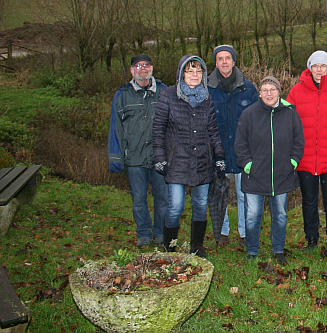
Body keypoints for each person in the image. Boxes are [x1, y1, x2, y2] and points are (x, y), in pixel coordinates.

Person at [152, 55, 225, 257]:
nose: (194, 74)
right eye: (190, 70)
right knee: (175, 205)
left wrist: (219, 156)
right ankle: (170, 246)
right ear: (181, 73)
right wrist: (159, 157)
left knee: (201, 204)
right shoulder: (168, 96)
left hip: (202, 159)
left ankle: (197, 246)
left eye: (198, 71)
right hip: (177, 159)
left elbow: (212, 129)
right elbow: (158, 129)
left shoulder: (206, 98)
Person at [286, 51, 327, 262]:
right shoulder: (296, 91)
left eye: (322, 66)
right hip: (305, 159)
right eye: (315, 65)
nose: (318, 69)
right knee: (309, 201)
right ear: (309, 67)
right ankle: (312, 239)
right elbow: (287, 121)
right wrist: (295, 149)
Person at [235, 76, 304, 264]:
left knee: (280, 215)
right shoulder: (249, 114)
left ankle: (278, 250)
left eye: (272, 90)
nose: (269, 93)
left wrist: (293, 162)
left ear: (279, 92)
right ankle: (252, 251)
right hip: (255, 176)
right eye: (264, 90)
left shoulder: (290, 113)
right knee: (252, 216)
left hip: (281, 175)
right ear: (259, 94)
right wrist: (248, 164)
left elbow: (299, 141)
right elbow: (240, 144)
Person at [108, 54, 169, 248]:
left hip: (160, 157)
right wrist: (116, 157)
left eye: (146, 65)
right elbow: (115, 128)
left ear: (152, 68)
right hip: (134, 158)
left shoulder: (165, 92)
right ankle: (143, 233)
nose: (143, 69)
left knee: (163, 199)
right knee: (138, 199)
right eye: (138, 66)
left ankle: (160, 233)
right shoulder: (122, 95)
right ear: (132, 70)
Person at [207, 45, 258, 249]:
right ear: (216, 62)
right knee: (219, 193)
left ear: (234, 61)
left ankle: (245, 233)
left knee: (244, 193)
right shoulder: (207, 88)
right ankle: (222, 231)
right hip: (217, 149)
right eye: (220, 59)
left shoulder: (249, 87)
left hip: (242, 151)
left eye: (228, 58)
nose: (225, 62)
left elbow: (258, 119)